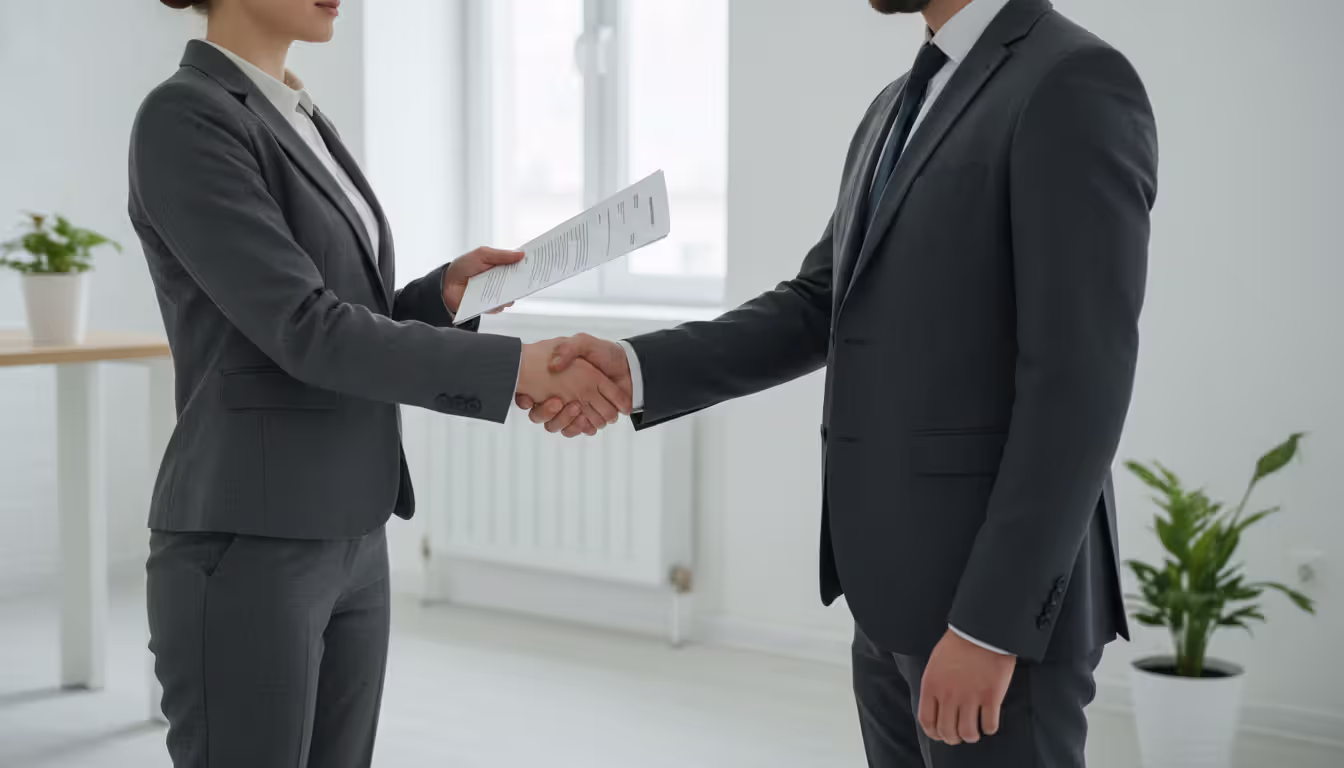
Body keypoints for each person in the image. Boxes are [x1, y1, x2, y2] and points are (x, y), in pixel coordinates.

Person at [519, 0, 1158, 765]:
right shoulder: (898, 104)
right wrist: (637, 367)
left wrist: (990, 628)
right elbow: (817, 304)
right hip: (890, 600)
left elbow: (1078, 386)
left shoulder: (1072, 82)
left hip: (990, 616)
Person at [131, 1, 631, 765]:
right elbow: (303, 326)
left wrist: (442, 298)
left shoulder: (297, 114)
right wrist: (514, 368)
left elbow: (339, 313)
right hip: (251, 536)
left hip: (354, 525)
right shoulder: (185, 117)